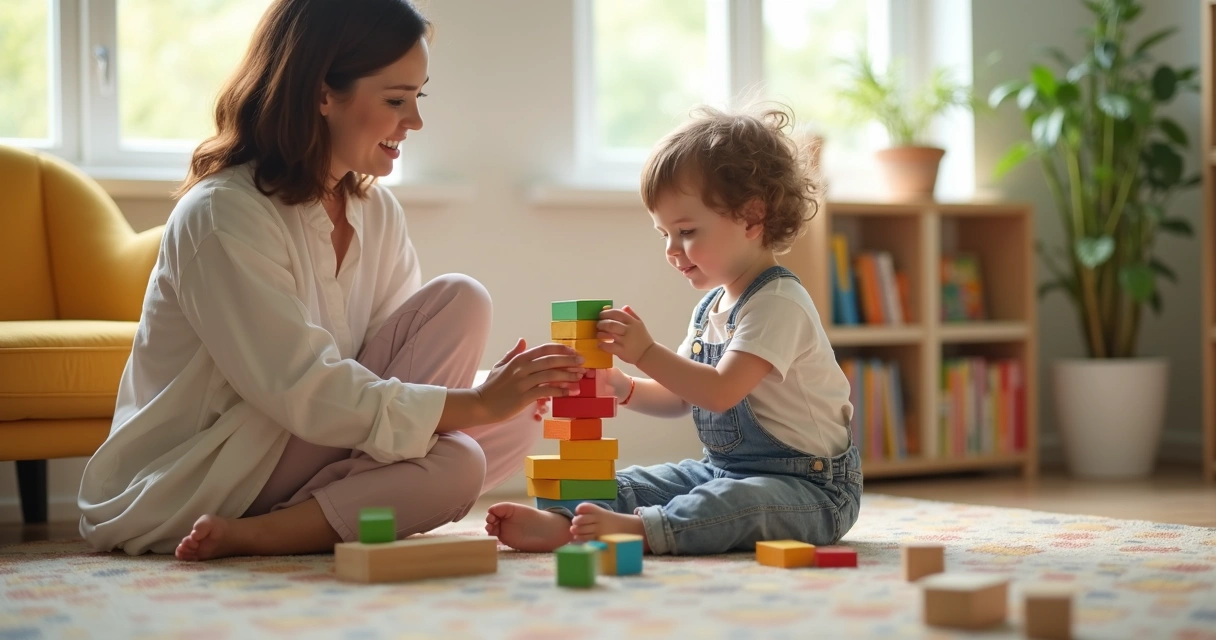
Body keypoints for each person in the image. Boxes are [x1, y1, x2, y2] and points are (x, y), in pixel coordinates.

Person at [77, 0, 585, 559]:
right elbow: (301, 391)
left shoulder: (376, 211)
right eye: (396, 100)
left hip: (315, 440)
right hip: (221, 464)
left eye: (418, 98)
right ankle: (268, 532)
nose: (414, 122)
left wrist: (502, 391)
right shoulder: (222, 214)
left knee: (499, 394)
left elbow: (388, 367)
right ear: (323, 94)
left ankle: (322, 510)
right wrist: (479, 402)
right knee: (461, 458)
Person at [485, 105, 862, 555]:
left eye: (685, 231)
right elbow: (681, 395)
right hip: (722, 470)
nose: (671, 249)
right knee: (626, 481)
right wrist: (620, 387)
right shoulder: (710, 309)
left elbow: (720, 392)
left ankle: (640, 531)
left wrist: (644, 352)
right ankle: (563, 523)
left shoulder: (778, 304)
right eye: (663, 233)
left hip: (812, 490)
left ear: (751, 217)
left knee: (733, 502)